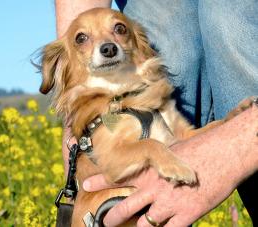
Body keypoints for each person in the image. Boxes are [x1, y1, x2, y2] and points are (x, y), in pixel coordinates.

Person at [55, 0, 258, 226]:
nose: (106, 44)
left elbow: (188, 141)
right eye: (83, 38)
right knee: (175, 46)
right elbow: (114, 159)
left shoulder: (153, 102)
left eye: (119, 30)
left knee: (229, 19)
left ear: (138, 43)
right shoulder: (98, 118)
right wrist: (154, 152)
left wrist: (228, 127)